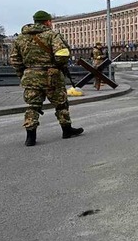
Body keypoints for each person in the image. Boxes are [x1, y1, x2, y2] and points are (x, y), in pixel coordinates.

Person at [10, 10, 84, 146]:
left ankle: (30, 137)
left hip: (30, 76)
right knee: (61, 104)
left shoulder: (20, 38)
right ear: (47, 21)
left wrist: (24, 74)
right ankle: (66, 130)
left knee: (32, 106)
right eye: (50, 21)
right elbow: (62, 54)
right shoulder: (52, 35)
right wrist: (57, 66)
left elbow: (15, 60)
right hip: (52, 76)